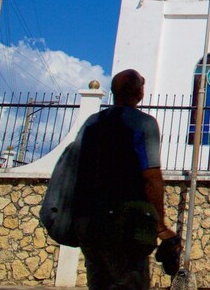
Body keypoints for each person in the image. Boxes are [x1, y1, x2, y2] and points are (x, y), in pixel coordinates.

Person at [77, 69, 180, 290]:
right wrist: (160, 226)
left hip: (91, 225)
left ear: (113, 92)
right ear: (140, 93)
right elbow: (151, 178)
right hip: (125, 226)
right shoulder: (142, 124)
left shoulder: (92, 124)